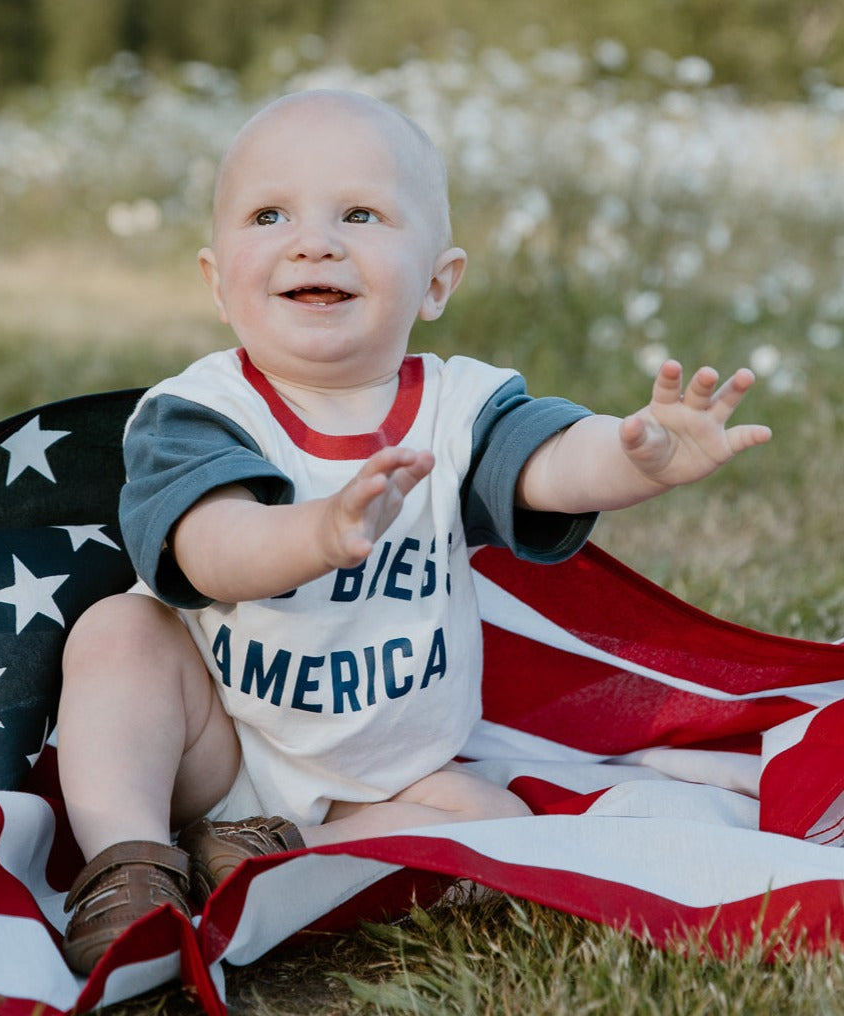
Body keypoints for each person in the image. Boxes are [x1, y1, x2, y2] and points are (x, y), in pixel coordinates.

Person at [55, 89, 771, 973]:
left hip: (390, 772)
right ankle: (127, 862)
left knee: (497, 831)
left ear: (437, 280)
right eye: (269, 214)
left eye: (360, 213)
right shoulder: (200, 409)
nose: (313, 240)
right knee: (119, 633)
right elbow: (208, 549)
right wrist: (318, 532)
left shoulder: (459, 405)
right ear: (216, 279)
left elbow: (548, 462)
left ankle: (273, 860)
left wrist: (637, 459)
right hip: (216, 745)